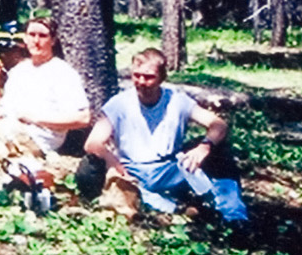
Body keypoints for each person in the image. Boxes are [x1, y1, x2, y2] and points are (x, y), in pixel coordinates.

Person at [83, 48, 248, 223]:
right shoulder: (119, 104)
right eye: (137, 76)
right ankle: (173, 207)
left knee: (220, 153)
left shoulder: (177, 100)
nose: (141, 82)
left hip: (169, 169)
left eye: (149, 77)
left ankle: (234, 217)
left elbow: (218, 124)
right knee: (90, 166)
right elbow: (92, 143)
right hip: (131, 170)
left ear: (162, 78)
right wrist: (112, 161)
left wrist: (205, 146)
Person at [0, 14, 89, 154]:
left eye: (42, 36)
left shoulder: (62, 72)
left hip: (37, 137)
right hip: (10, 126)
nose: (36, 41)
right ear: (25, 38)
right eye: (32, 35)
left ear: (53, 40)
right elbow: (7, 111)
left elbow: (83, 118)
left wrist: (35, 118)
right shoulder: (19, 71)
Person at [0, 21, 29, 105]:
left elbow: (2, 109)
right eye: (0, 50)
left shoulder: (27, 73)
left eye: (7, 51)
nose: (1, 55)